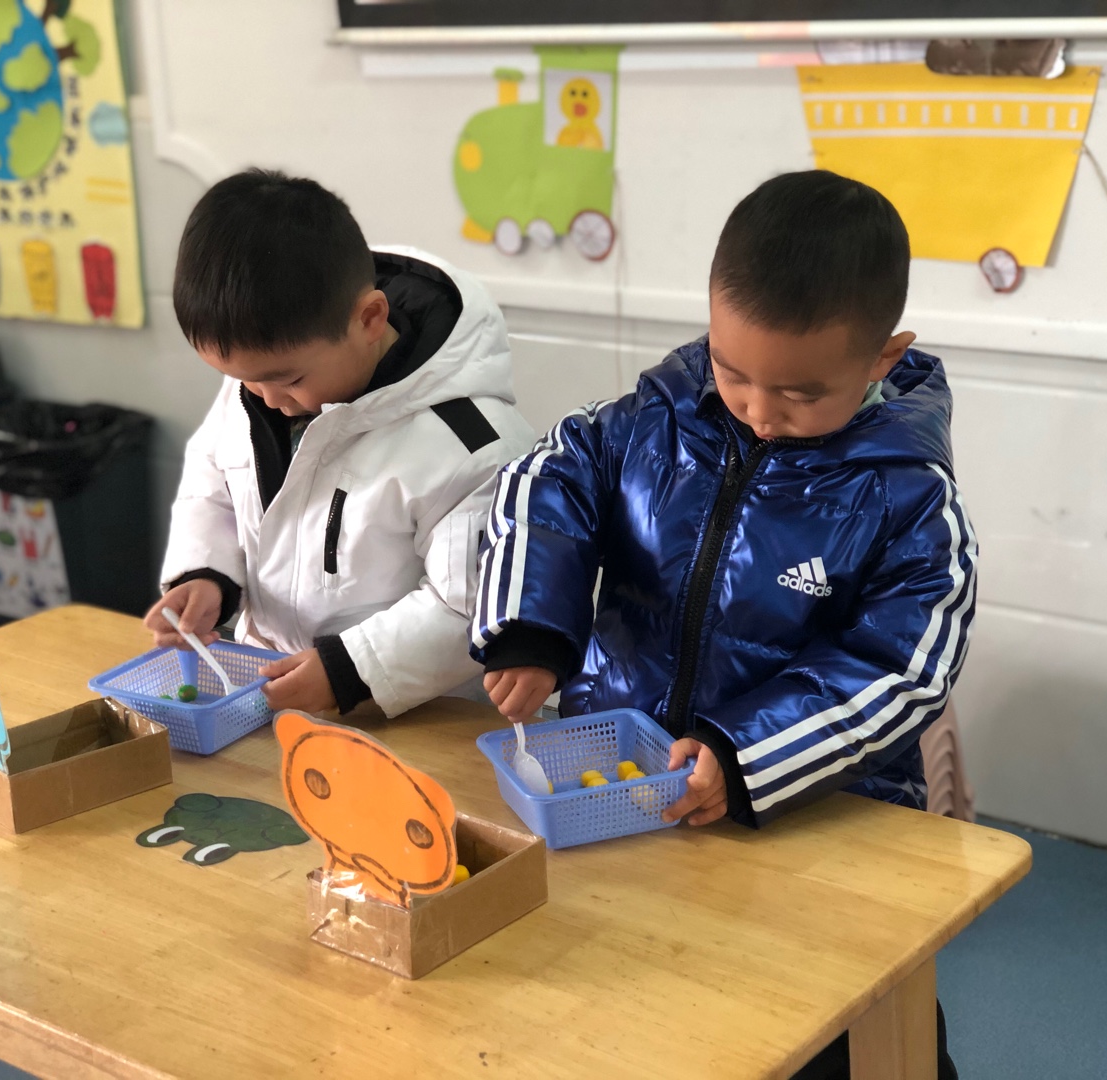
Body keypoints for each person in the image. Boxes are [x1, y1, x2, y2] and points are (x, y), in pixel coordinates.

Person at [471, 171, 972, 1078]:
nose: (759, 411)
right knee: (630, 1020)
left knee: (830, 1038)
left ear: (882, 358)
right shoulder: (650, 420)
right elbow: (546, 480)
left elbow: (903, 671)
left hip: (813, 818)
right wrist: (531, 629)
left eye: (800, 393)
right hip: (627, 800)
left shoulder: (907, 500)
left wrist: (744, 759)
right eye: (731, 371)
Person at [152, 168, 533, 718]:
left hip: (412, 720)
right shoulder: (261, 380)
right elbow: (212, 481)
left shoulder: (473, 445)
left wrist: (347, 671)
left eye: (287, 381)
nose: (267, 399)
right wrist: (205, 576)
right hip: (271, 690)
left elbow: (469, 607)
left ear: (371, 318)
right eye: (243, 381)